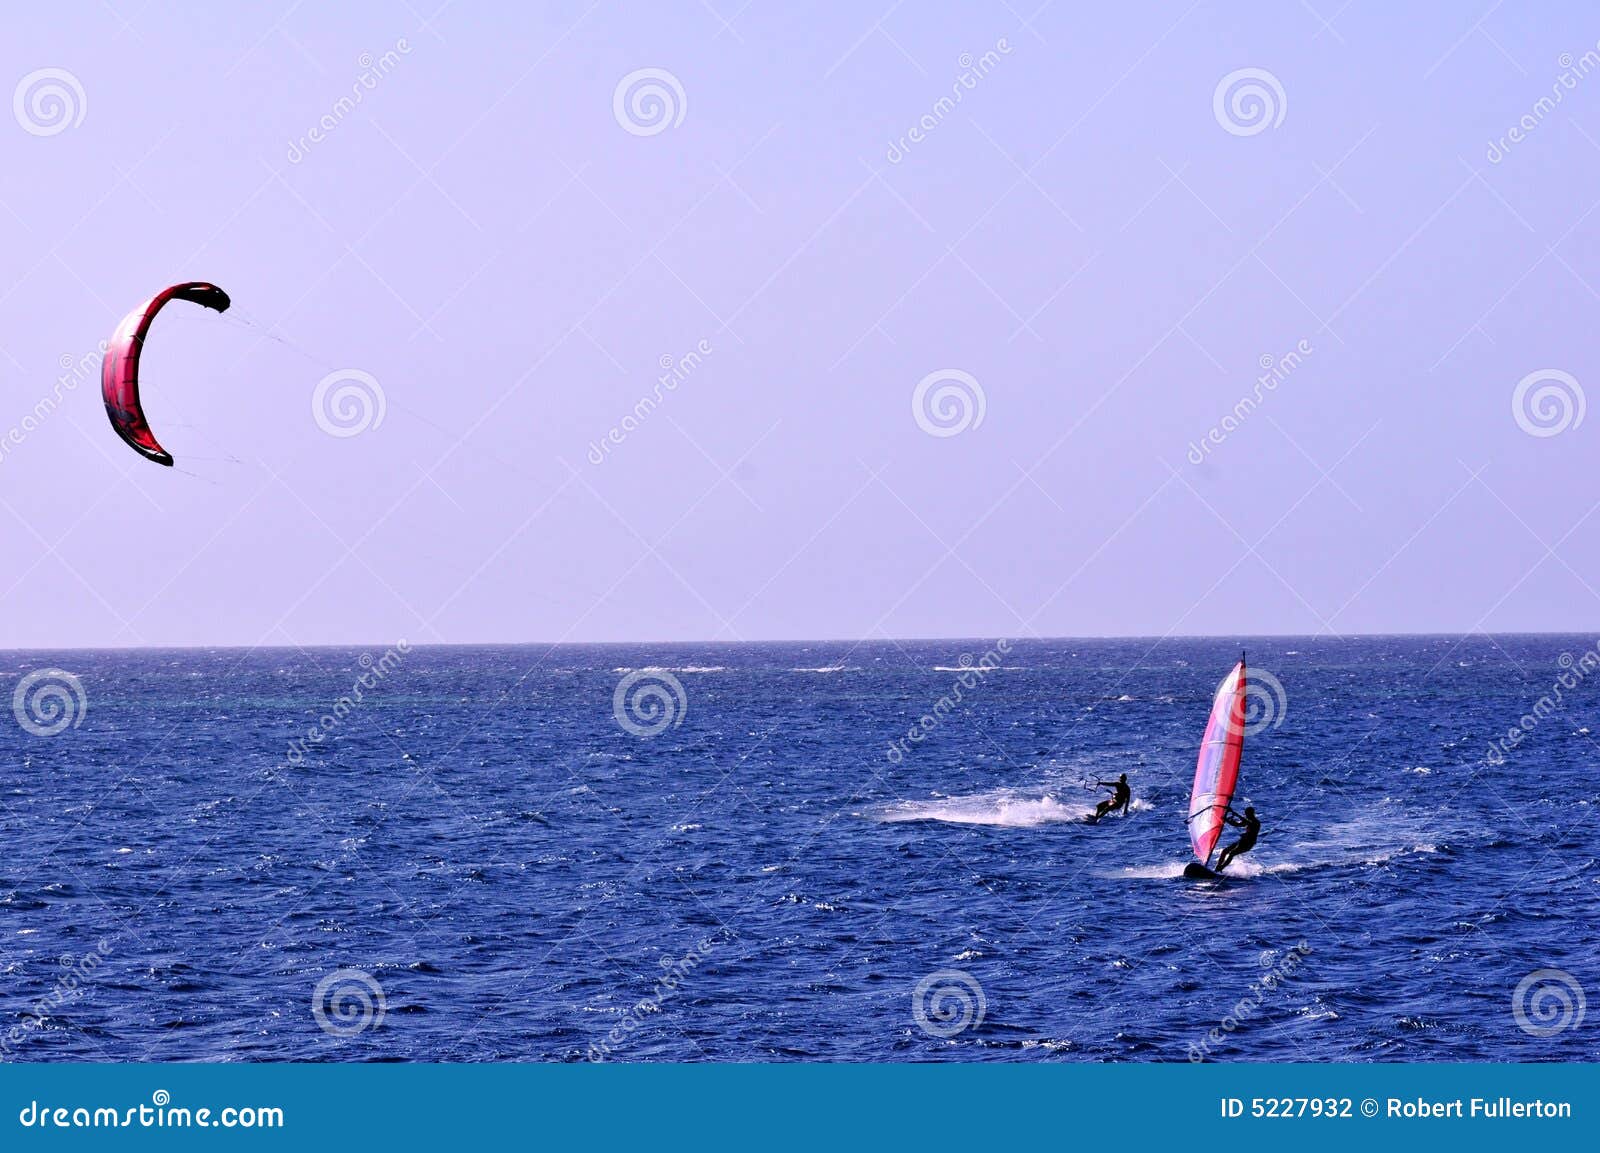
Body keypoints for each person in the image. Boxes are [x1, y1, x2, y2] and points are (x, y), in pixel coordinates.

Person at [1215, 805, 1260, 872]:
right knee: (1225, 851)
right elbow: (1236, 824)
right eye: (1246, 814)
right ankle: (1217, 867)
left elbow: (1248, 823)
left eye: (1247, 814)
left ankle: (1221, 868)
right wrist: (1226, 820)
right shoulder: (1248, 820)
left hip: (1249, 844)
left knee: (1232, 853)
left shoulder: (1256, 822)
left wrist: (1234, 813)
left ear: (1251, 814)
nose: (1246, 815)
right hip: (1242, 841)